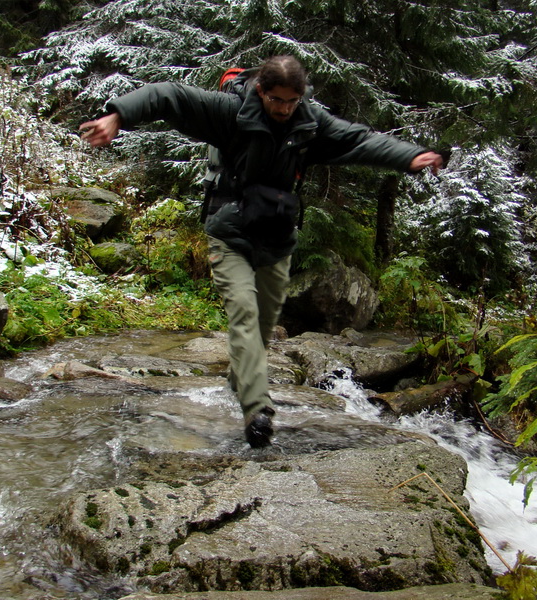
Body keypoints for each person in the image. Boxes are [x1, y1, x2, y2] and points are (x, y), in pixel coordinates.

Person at [80, 55, 443, 448]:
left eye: (292, 101)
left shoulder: (309, 123)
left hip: (276, 237)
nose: (284, 109)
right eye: (276, 100)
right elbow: (168, 96)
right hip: (229, 232)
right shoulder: (230, 112)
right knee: (244, 312)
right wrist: (117, 116)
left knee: (264, 326)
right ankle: (257, 410)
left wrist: (409, 156)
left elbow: (358, 140)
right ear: (260, 90)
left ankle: (240, 378)